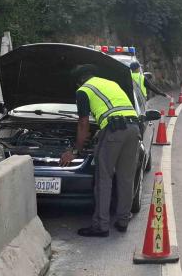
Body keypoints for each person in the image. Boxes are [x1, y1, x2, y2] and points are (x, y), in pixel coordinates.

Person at [60, 65, 141, 237]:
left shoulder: (83, 90)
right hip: (133, 129)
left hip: (114, 131)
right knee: (126, 178)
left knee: (103, 178)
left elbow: (83, 123)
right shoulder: (111, 83)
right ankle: (122, 221)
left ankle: (101, 226)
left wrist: (75, 150)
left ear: (79, 81)